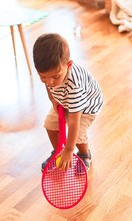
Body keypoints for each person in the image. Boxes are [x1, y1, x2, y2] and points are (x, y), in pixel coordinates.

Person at [32, 33, 103, 172]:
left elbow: (73, 122)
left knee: (77, 134)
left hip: (86, 106)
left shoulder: (74, 86)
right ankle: (58, 152)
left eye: (55, 77)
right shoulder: (50, 74)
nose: (49, 82)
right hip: (64, 100)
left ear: (68, 65)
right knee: (49, 125)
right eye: (42, 77)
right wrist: (53, 99)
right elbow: (49, 84)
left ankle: (84, 154)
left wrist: (70, 150)